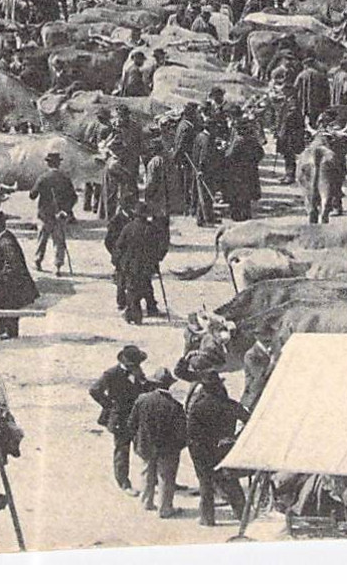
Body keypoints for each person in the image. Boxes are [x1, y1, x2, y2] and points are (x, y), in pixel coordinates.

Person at [184, 363, 249, 527]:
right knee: (231, 482)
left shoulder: (198, 407)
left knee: (205, 484)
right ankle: (243, 515)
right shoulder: (231, 405)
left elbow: (191, 433)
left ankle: (207, 519)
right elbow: (250, 422)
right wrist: (235, 438)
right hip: (224, 449)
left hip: (202, 451)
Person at [89, 345, 151, 493]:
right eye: (134, 365)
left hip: (136, 416)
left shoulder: (137, 371)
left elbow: (143, 386)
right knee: (122, 451)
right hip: (120, 418)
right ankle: (124, 482)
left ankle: (152, 479)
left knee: (145, 446)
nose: (137, 367)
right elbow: (94, 390)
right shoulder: (111, 374)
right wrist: (109, 406)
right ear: (126, 362)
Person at [128, 367, 186, 518]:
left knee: (147, 473)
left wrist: (137, 440)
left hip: (146, 445)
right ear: (170, 385)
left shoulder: (142, 400)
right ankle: (165, 508)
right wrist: (179, 447)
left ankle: (146, 502)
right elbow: (181, 432)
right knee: (166, 478)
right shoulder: (176, 406)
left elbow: (131, 423)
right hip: (168, 448)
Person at [106, 201, 168, 325]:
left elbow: (119, 245)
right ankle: (148, 308)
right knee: (145, 284)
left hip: (130, 264)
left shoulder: (128, 228)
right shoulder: (152, 229)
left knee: (132, 287)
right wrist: (157, 258)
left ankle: (135, 313)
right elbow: (161, 246)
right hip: (146, 264)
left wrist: (116, 261)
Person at [0, 211, 37, 338]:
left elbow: (12, 263)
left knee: (9, 304)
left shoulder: (6, 241)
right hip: (4, 281)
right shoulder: (1, 238)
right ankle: (1, 329)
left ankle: (10, 331)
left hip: (10, 282)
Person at [30, 150, 76, 273]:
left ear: (48, 164)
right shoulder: (65, 178)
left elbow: (32, 195)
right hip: (60, 215)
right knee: (59, 242)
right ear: (58, 164)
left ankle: (38, 261)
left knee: (42, 240)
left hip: (45, 215)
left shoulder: (43, 178)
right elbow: (74, 197)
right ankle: (58, 266)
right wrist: (66, 210)